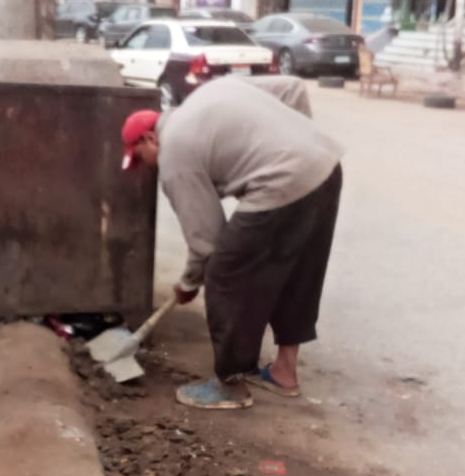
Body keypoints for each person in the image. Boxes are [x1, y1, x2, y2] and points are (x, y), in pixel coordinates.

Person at [121, 75, 342, 411]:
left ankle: (231, 384)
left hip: (282, 181)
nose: (143, 167)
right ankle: (284, 373)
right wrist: (298, 146)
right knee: (298, 273)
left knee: (224, 275)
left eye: (139, 157)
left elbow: (206, 240)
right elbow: (292, 88)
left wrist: (189, 282)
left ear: (150, 138)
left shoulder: (173, 155)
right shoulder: (208, 93)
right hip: (325, 166)